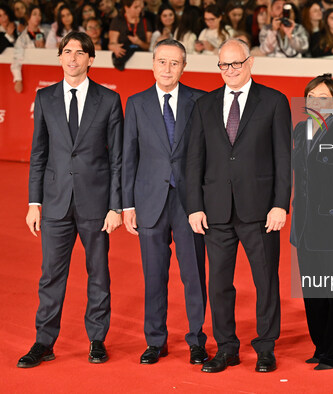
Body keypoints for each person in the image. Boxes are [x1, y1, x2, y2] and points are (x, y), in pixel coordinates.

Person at [18, 31, 123, 368]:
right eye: (67, 51)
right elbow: (39, 154)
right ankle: (44, 341)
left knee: (98, 274)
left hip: (96, 202)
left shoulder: (108, 100)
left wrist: (115, 205)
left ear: (91, 59)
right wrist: (34, 202)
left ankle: (97, 340)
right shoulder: (45, 97)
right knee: (50, 275)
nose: (73, 58)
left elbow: (118, 159)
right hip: (55, 202)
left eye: (80, 52)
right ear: (59, 56)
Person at [185, 38, 291, 373]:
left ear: (250, 62)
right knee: (218, 284)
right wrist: (194, 206)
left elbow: (284, 159)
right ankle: (226, 347)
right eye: (224, 65)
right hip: (215, 212)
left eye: (236, 63)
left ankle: (265, 347)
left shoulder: (274, 102)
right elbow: (193, 161)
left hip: (260, 211)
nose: (230, 70)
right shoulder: (204, 105)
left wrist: (280, 205)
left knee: (265, 281)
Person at [122, 38, 208, 365]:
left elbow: (205, 156)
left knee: (194, 275)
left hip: (189, 204)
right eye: (162, 61)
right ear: (153, 63)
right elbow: (129, 157)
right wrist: (127, 205)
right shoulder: (136, 103)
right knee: (154, 275)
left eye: (174, 63)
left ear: (184, 66)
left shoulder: (199, 101)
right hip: (149, 201)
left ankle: (197, 340)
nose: (167, 68)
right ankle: (155, 340)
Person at [291, 74, 333, 370]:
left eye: (322, 97)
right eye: (310, 96)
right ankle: (321, 347)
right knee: (313, 290)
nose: (314, 102)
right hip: (304, 224)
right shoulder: (299, 130)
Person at [11, 5, 48, 93]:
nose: (38, 17)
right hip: (31, 74)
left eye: (39, 15)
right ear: (28, 17)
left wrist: (44, 48)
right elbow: (16, 59)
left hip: (46, 73)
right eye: (34, 14)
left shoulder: (46, 32)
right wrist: (18, 80)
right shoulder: (22, 38)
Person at [109, 0, 153, 70]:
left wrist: (138, 42)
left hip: (142, 62)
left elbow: (148, 47)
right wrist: (115, 47)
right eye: (136, 7)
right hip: (123, 58)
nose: (139, 9)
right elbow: (111, 44)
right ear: (126, 8)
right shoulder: (117, 21)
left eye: (140, 6)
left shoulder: (145, 22)